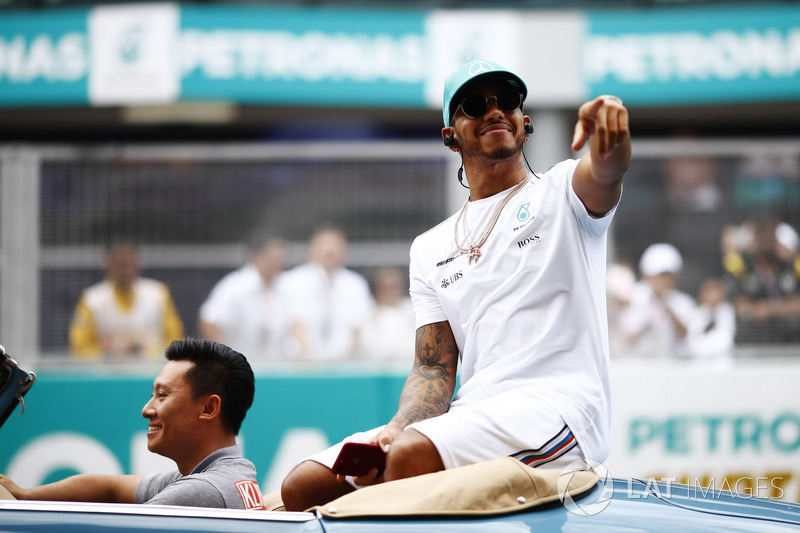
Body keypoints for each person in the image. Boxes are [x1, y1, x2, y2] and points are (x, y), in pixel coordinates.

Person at [280, 58, 630, 511]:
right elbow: (433, 369)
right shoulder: (429, 247)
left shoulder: (562, 191)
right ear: (450, 137)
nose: (494, 111)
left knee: (408, 458)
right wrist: (400, 425)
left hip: (561, 411)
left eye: (506, 101)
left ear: (525, 123)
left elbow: (605, 171)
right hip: (474, 414)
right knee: (303, 486)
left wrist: (611, 140)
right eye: (474, 104)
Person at [0, 338, 266, 510]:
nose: (146, 409)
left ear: (209, 408)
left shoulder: (201, 492)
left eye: (162, 395)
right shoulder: (223, 475)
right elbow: (109, 487)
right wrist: (24, 495)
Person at [69, 243, 184, 361]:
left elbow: (175, 337)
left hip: (152, 372)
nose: (124, 271)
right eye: (119, 265)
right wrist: (107, 354)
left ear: (138, 265)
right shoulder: (92, 299)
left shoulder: (158, 294)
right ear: (108, 266)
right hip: (106, 374)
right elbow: (81, 346)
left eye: (128, 264)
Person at [278, 226, 374, 360]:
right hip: (298, 363)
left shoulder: (355, 284)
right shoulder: (292, 281)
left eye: (336, 249)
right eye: (326, 250)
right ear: (311, 250)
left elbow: (359, 327)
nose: (331, 253)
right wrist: (308, 362)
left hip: (343, 364)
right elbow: (294, 324)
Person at [198, 235, 288, 360]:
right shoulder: (235, 286)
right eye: (274, 257)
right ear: (257, 256)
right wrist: (227, 362)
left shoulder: (285, 285)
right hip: (243, 371)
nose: (279, 262)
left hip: (276, 369)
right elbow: (210, 323)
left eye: (281, 257)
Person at [617, 243, 696, 358]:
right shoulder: (635, 297)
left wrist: (667, 307)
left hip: (672, 365)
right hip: (638, 365)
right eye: (660, 276)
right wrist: (647, 321)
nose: (664, 281)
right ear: (647, 276)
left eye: (668, 276)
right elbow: (626, 336)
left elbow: (686, 335)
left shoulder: (683, 302)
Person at [357, 266, 416, 360]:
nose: (394, 291)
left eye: (397, 286)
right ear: (378, 289)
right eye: (389, 287)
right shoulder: (367, 316)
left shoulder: (413, 308)